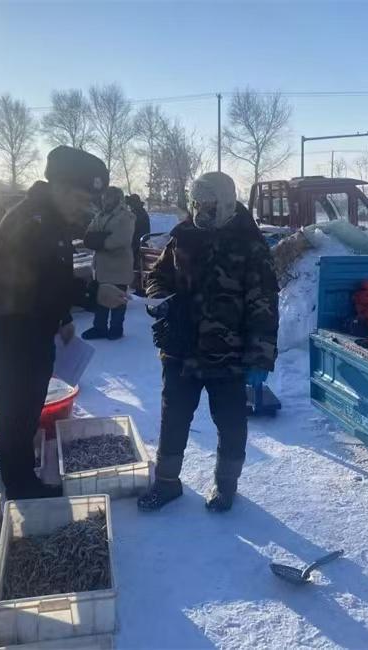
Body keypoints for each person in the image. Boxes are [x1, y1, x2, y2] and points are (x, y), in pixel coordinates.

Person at [0, 146, 127, 500]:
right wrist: (92, 294)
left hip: (32, 331)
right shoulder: (30, 223)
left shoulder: (51, 222)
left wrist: (62, 317)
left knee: (27, 408)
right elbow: (33, 286)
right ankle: (20, 487)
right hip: (14, 336)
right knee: (16, 413)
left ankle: (22, 471)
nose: (83, 207)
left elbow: (52, 274)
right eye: (79, 198)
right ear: (58, 186)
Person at [137, 172, 279, 513]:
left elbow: (263, 303)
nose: (201, 211)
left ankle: (225, 485)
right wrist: (160, 299)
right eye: (196, 204)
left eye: (209, 205)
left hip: (228, 355)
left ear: (226, 203)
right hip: (181, 349)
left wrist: (260, 357)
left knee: (231, 423)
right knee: (173, 418)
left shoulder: (249, 243)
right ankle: (167, 483)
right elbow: (157, 276)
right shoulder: (183, 235)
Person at [82, 187, 135, 341]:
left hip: (119, 266)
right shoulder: (100, 215)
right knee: (102, 298)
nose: (105, 200)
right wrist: (100, 238)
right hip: (102, 266)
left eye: (109, 197)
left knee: (118, 298)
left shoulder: (126, 216)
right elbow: (88, 235)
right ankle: (100, 327)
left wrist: (99, 240)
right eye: (104, 197)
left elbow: (121, 239)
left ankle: (116, 328)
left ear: (117, 199)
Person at [126, 193, 151, 285]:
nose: (130, 206)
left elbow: (132, 228)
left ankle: (136, 283)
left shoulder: (139, 214)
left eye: (131, 203)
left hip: (137, 244)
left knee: (135, 267)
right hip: (136, 242)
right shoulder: (138, 212)